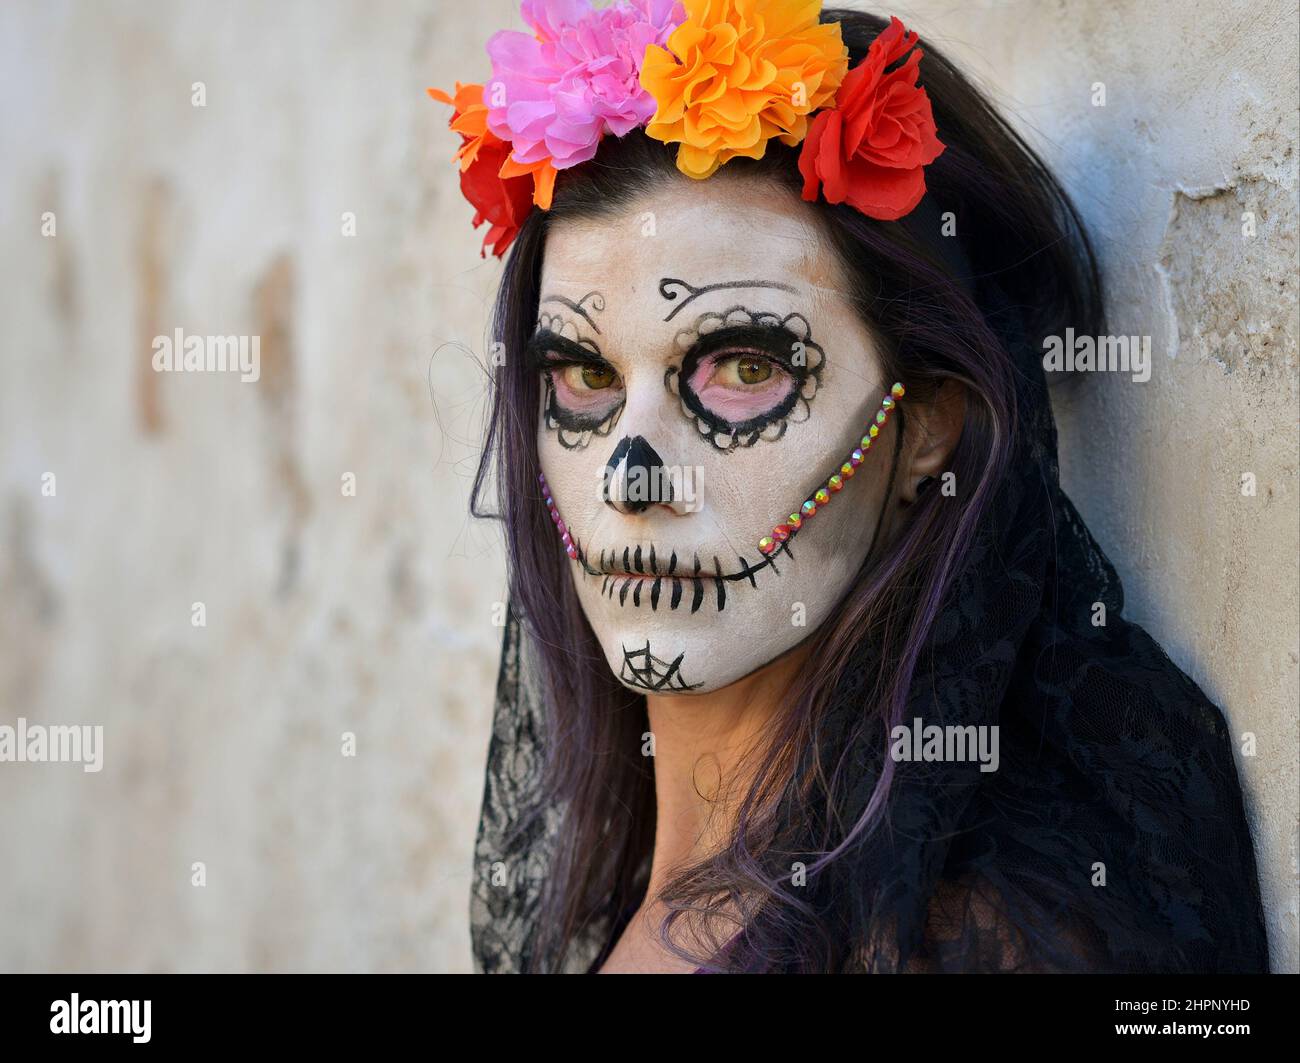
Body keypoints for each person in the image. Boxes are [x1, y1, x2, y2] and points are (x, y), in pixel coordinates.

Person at [428, 1, 1270, 973]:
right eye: (584, 377)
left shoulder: (975, 944)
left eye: (743, 369)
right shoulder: (609, 894)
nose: (630, 478)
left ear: (926, 427)